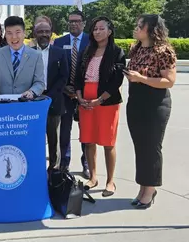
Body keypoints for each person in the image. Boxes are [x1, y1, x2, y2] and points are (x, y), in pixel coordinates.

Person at [124, 14, 176, 209]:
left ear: (151, 29)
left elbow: (169, 81)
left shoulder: (164, 51)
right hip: (136, 102)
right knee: (140, 148)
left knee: (152, 148)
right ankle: (143, 187)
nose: (136, 28)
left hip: (155, 104)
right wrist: (131, 76)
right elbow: (136, 74)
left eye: (140, 26)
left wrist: (141, 78)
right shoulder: (136, 48)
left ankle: (150, 189)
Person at [75, 17, 125, 197]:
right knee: (88, 140)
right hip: (85, 100)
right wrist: (79, 96)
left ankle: (110, 181)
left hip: (106, 101)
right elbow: (78, 77)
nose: (97, 32)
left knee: (107, 142)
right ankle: (93, 177)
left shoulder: (117, 52)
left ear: (110, 32)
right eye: (95, 29)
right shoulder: (87, 51)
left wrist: (100, 100)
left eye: (101, 28)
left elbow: (117, 80)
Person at [53, 10, 90, 179]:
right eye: (70, 21)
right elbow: (55, 69)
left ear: (83, 22)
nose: (73, 24)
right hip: (65, 94)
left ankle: (87, 163)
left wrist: (80, 90)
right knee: (65, 131)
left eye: (77, 21)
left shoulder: (92, 41)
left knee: (86, 131)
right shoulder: (59, 42)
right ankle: (64, 163)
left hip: (86, 94)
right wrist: (64, 87)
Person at [32, 22, 69, 171]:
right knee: (35, 139)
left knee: (54, 140)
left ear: (51, 33)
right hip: (33, 102)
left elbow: (64, 77)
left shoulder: (60, 53)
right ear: (35, 34)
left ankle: (54, 170)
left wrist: (50, 96)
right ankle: (36, 169)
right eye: (40, 31)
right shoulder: (28, 52)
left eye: (47, 31)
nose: (44, 34)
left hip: (54, 102)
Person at [0, 16, 45, 99]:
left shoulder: (36, 55)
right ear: (5, 35)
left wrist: (32, 92)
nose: (14, 37)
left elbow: (39, 82)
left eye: (17, 32)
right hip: (2, 105)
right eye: (9, 33)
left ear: (24, 33)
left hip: (27, 105)